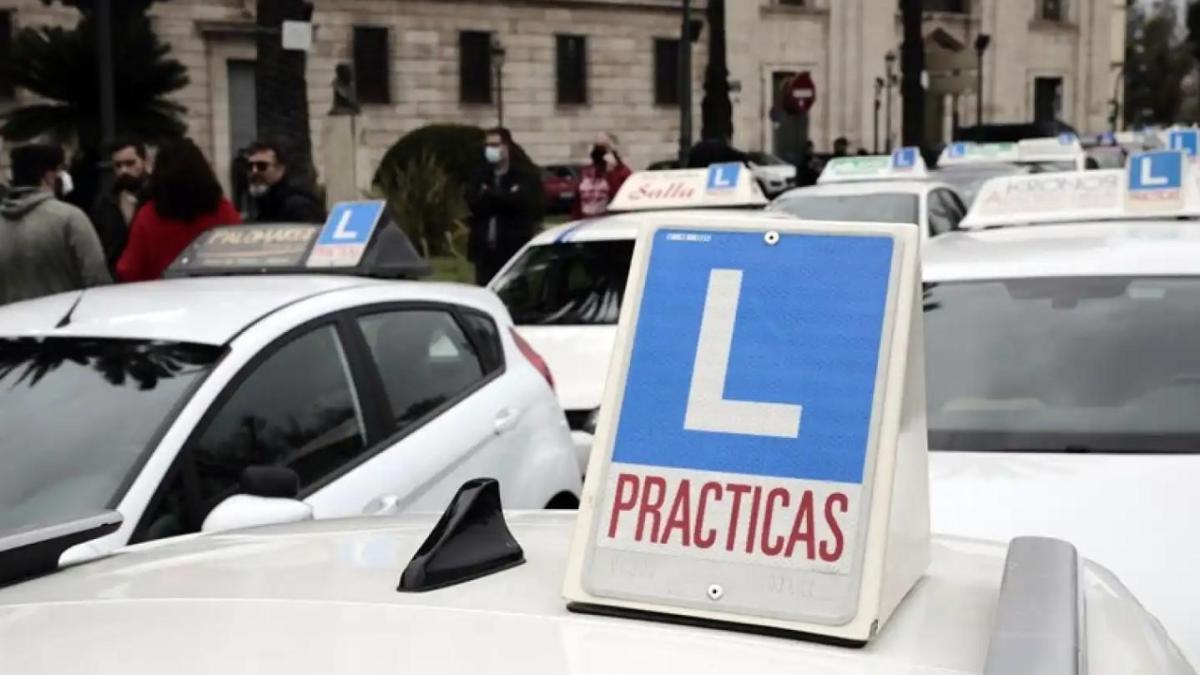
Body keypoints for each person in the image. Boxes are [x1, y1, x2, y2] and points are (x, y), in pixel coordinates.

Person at [116, 138, 242, 282]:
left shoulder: (148, 216)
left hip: (161, 298)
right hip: (214, 296)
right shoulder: (223, 210)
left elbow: (128, 270)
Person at [0, 144, 111, 305]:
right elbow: (98, 280)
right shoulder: (70, 218)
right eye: (62, 169)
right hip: (62, 324)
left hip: (11, 327)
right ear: (49, 176)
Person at [466, 127, 543, 286]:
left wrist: (490, 193)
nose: (490, 150)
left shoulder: (523, 176)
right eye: (488, 145)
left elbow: (520, 203)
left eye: (495, 145)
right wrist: (503, 196)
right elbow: (474, 203)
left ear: (506, 147)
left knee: (514, 291)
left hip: (511, 249)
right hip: (485, 252)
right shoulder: (480, 175)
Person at [90, 137, 151, 271]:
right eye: (118, 165)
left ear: (145, 162)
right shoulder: (104, 203)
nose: (123, 170)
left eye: (130, 164)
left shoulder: (159, 196)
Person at [245, 139, 324, 223]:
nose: (254, 171)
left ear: (280, 169)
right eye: (249, 166)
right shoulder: (261, 206)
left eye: (261, 166)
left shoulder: (299, 206)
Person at [571, 132, 633, 219]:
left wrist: (611, 172)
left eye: (605, 147)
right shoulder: (586, 172)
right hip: (586, 222)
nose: (601, 151)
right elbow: (577, 202)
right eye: (597, 146)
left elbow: (620, 201)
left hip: (610, 223)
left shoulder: (623, 172)